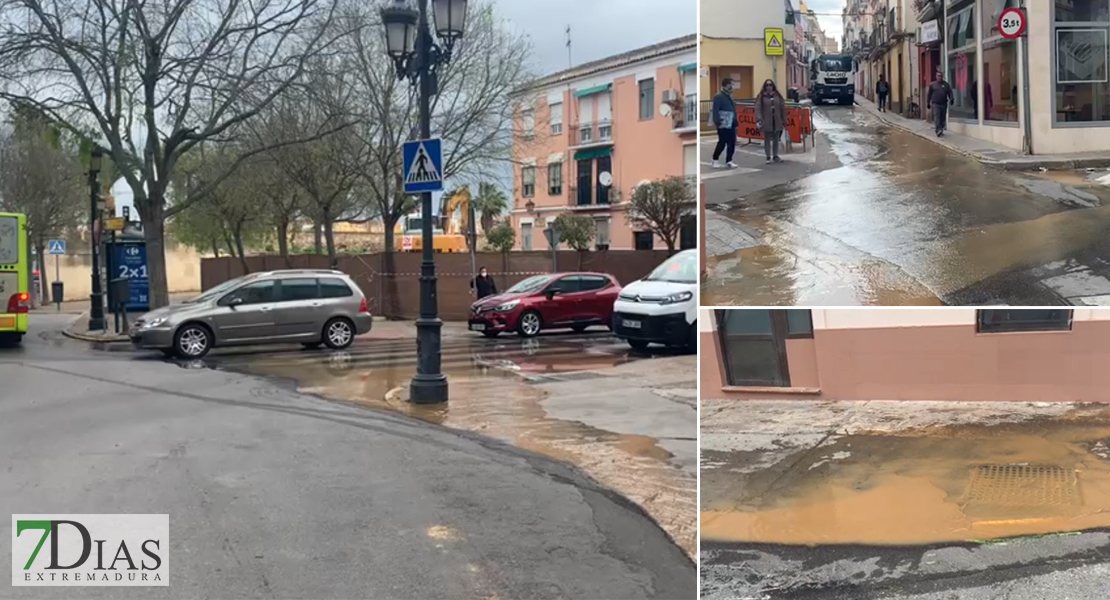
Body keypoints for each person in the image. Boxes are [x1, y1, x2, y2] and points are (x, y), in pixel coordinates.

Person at [756, 79, 786, 164]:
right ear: (764, 87)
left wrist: (784, 119)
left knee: (776, 139)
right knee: (767, 139)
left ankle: (775, 155)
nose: (769, 87)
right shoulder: (761, 96)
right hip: (766, 121)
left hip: (777, 120)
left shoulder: (778, 96)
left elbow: (782, 108)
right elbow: (758, 108)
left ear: (773, 86)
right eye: (767, 85)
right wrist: (759, 118)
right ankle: (768, 156)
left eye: (770, 85)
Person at [710, 78, 738, 169]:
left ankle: (729, 160)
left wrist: (735, 120)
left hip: (731, 122)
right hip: (723, 123)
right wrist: (718, 122)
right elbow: (715, 110)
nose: (733, 86)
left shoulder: (730, 95)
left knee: (732, 142)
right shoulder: (718, 96)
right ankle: (715, 159)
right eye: (732, 84)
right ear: (727, 85)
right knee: (722, 142)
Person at [927, 70, 954, 137]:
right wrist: (928, 102)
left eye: (941, 76)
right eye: (938, 76)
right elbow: (929, 94)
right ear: (936, 77)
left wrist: (951, 99)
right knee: (937, 117)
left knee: (942, 117)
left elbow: (950, 92)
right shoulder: (932, 85)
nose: (940, 77)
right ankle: (938, 130)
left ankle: (941, 129)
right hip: (936, 104)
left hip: (944, 103)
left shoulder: (946, 84)